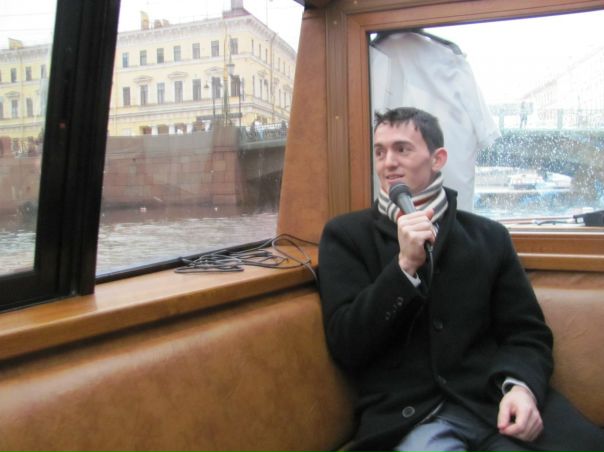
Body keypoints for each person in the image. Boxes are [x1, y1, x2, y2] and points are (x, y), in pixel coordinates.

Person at [318, 107, 604, 452]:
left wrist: (520, 388)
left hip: (490, 405)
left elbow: (526, 334)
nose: (388, 162)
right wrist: (404, 267)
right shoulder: (346, 236)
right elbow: (347, 343)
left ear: (437, 159)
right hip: (411, 416)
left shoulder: (489, 237)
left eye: (402, 149)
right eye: (380, 152)